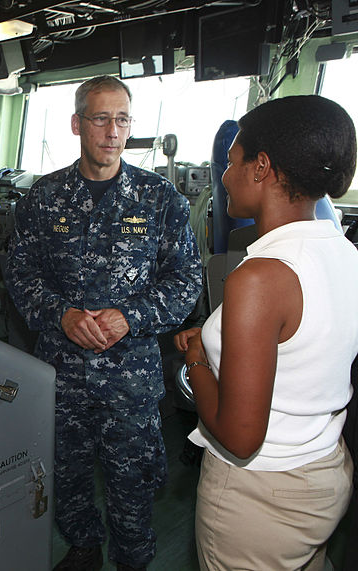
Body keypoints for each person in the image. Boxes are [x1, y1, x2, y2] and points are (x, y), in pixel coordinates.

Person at [8, 76, 202, 571]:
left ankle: (133, 560)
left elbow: (185, 282)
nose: (112, 131)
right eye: (100, 118)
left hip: (130, 378)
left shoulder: (161, 200)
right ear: (77, 124)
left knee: (132, 480)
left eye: (122, 119)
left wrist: (129, 317)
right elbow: (20, 272)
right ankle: (82, 547)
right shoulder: (42, 199)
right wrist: (61, 315)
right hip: (62, 372)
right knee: (66, 472)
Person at [174, 95, 358, 570]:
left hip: (258, 496)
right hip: (321, 471)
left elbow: (239, 436)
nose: (225, 175)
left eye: (233, 162)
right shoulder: (343, 253)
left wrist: (195, 359)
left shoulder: (260, 278)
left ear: (262, 168)